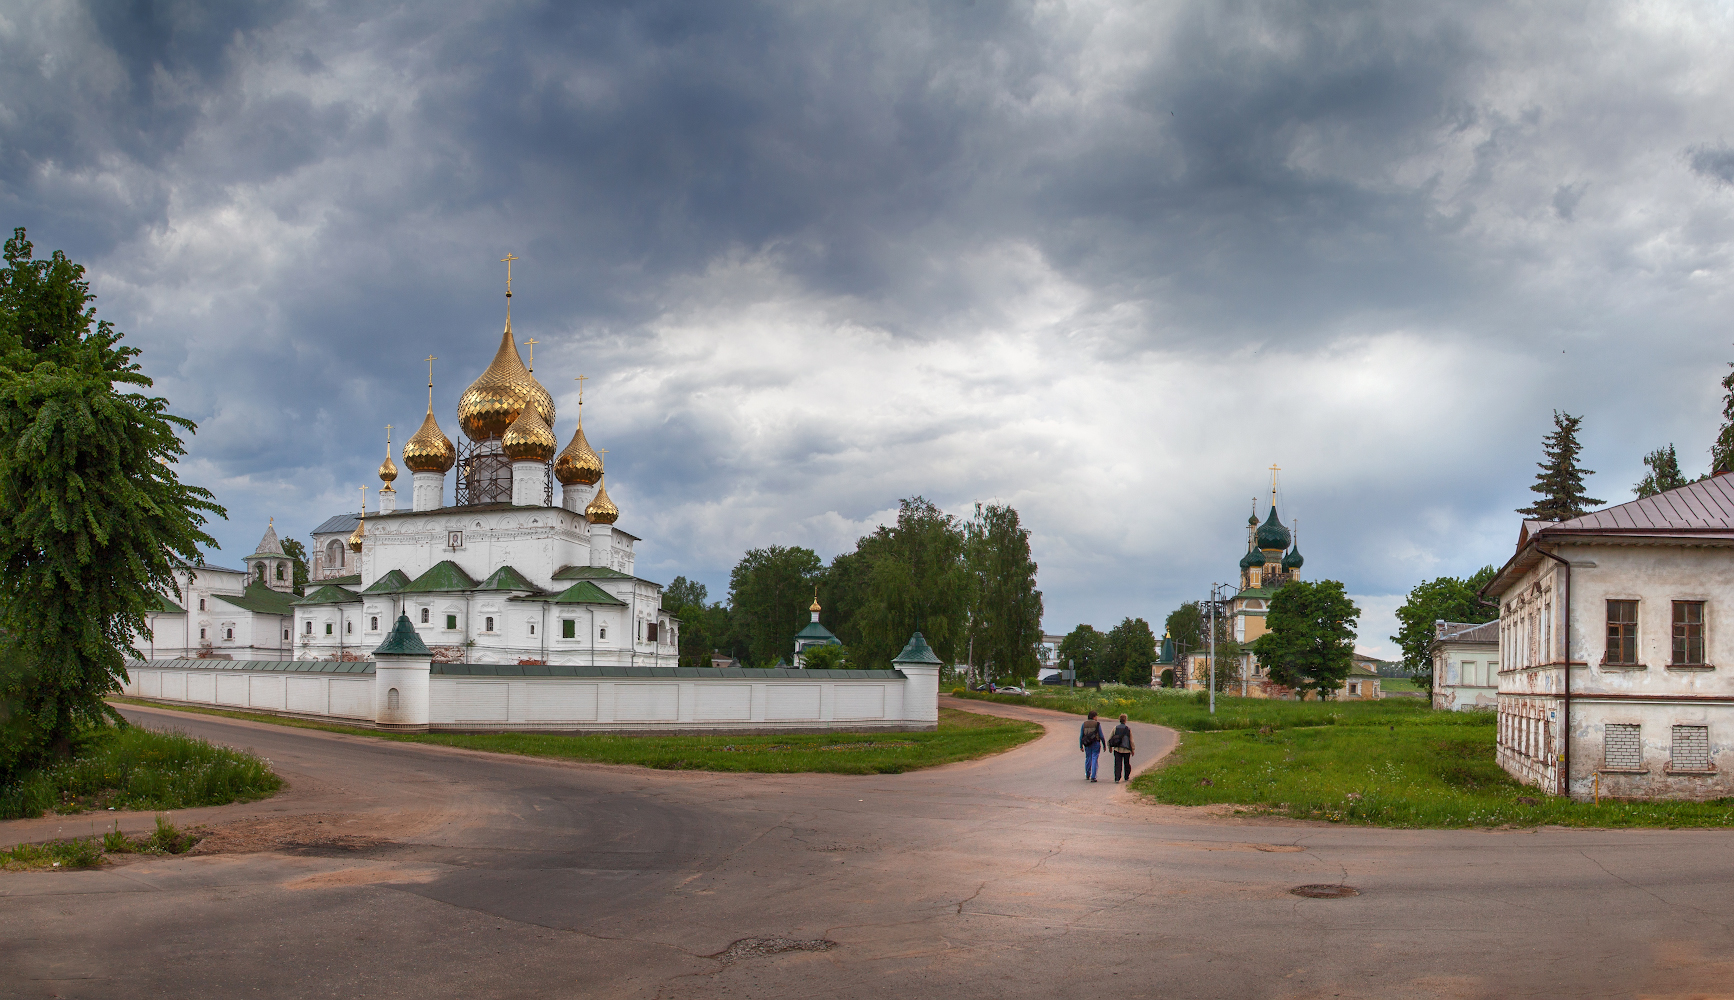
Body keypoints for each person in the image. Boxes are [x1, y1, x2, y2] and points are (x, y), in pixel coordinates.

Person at [1109, 713, 1135, 783]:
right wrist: (1133, 749)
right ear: (1125, 720)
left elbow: (1110, 738)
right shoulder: (1128, 729)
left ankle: (1117, 778)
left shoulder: (1115, 728)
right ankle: (1126, 776)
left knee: (1118, 764)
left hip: (1117, 749)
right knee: (1126, 763)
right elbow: (1131, 740)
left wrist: (1110, 747)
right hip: (1126, 749)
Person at [1079, 710, 1105, 782]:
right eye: (1096, 716)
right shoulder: (1097, 724)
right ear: (1094, 717)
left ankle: (1087, 774)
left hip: (1087, 743)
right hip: (1095, 743)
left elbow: (1081, 736)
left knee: (1088, 758)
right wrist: (1104, 744)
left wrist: (1080, 746)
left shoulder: (1084, 724)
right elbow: (1101, 735)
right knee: (1094, 758)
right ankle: (1093, 776)